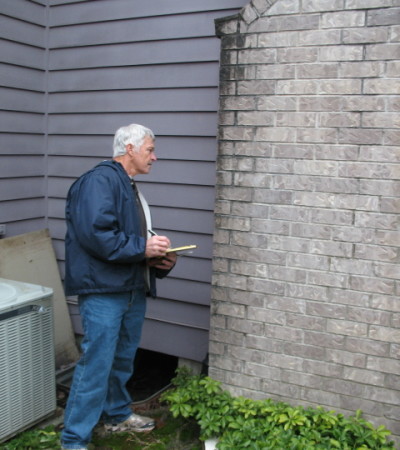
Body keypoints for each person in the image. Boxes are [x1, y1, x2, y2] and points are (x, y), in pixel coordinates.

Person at [60, 124, 177, 450]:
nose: (154, 156)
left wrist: (158, 259)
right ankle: (73, 440)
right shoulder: (99, 181)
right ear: (129, 148)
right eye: (149, 150)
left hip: (130, 288)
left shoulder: (129, 186)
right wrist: (143, 248)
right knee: (96, 364)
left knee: (121, 360)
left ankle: (116, 416)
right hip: (104, 293)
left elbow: (126, 239)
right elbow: (97, 235)